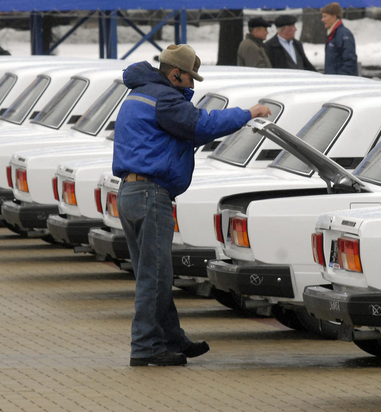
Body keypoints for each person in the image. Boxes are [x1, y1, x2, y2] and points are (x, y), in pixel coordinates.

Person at [112, 44, 271, 367]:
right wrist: (248, 113)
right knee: (154, 277)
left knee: (155, 273)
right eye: (189, 78)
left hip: (130, 193)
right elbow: (202, 125)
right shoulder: (164, 98)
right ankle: (145, 347)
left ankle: (171, 339)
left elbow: (181, 132)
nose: (192, 85)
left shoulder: (139, 95)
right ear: (175, 74)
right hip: (150, 195)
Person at [321, 3, 358, 76]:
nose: (322, 20)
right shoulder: (332, 34)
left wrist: (339, 79)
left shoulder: (344, 35)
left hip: (341, 83)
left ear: (334, 17)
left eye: (325, 16)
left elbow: (350, 61)